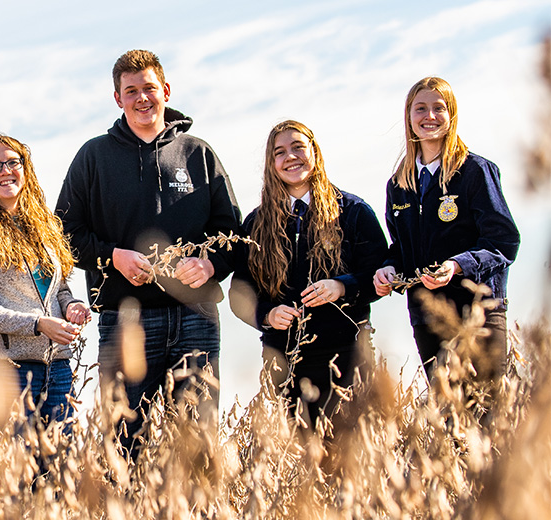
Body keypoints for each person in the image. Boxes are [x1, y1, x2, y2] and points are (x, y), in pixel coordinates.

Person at [55, 50, 241, 450]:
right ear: (117, 98)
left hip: (196, 317)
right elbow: (64, 234)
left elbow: (231, 232)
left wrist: (209, 266)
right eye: (131, 90)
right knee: (124, 445)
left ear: (166, 91)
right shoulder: (94, 157)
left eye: (149, 88)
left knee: (196, 445)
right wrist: (113, 257)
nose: (142, 98)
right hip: (127, 321)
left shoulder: (198, 154)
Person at [229, 120, 387, 426]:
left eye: (298, 147)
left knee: (356, 461)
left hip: (348, 357)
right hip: (284, 363)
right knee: (299, 465)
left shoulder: (353, 211)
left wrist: (343, 286)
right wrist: (267, 315)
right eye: (280, 152)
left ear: (314, 152)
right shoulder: (256, 224)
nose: (290, 156)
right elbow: (239, 293)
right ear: (271, 165)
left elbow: (380, 274)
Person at [0, 134, 92, 455]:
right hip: (5, 373)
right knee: (15, 488)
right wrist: (39, 324)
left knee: (60, 481)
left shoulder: (45, 225)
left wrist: (72, 306)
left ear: (25, 170)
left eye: (13, 162)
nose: (5, 171)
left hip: (57, 371)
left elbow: (59, 288)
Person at [373, 77, 519, 381]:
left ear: (451, 114)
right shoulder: (398, 185)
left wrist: (457, 266)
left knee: (486, 415)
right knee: (450, 421)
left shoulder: (475, 171)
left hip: (478, 313)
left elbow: (503, 242)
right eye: (420, 109)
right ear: (408, 117)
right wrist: (387, 269)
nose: (429, 116)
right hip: (428, 321)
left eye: (438, 108)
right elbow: (401, 248)